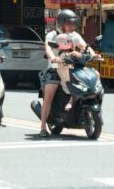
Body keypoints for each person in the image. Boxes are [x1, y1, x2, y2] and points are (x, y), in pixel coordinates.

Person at [39, 9, 93, 137]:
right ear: (61, 23)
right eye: (69, 23)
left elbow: (85, 46)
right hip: (54, 69)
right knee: (49, 95)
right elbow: (47, 48)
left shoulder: (75, 35)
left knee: (84, 84)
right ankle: (43, 127)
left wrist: (92, 54)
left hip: (71, 68)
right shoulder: (52, 35)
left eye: (73, 23)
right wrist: (53, 58)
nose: (72, 26)